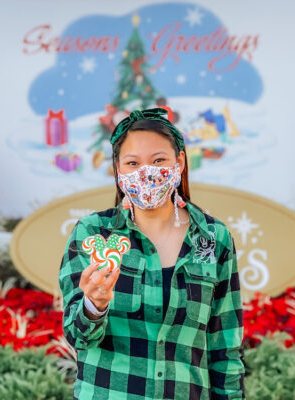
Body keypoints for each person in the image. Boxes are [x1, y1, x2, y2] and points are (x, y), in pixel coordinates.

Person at [59, 107, 245, 399]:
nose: (146, 173)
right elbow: (78, 337)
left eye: (159, 160)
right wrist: (94, 305)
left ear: (179, 162)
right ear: (118, 169)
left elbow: (225, 347)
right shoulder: (93, 234)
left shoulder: (213, 238)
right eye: (133, 163)